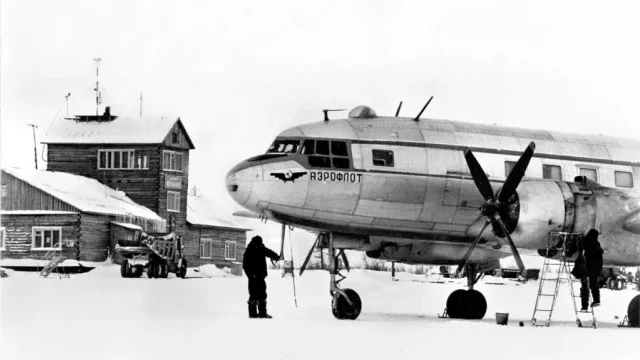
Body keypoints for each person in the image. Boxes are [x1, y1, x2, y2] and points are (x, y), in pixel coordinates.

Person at [242, 235, 281, 319]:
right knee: (258, 294)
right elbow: (245, 265)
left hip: (257, 276)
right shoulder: (253, 249)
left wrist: (276, 256)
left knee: (256, 294)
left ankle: (255, 314)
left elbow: (268, 252)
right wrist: (251, 275)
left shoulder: (253, 248)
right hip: (256, 276)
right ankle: (259, 314)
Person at [583, 229, 604, 307]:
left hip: (591, 266)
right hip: (597, 267)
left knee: (586, 282)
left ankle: (585, 303)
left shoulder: (589, 241)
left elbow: (584, 244)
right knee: (593, 283)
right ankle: (596, 300)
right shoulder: (596, 244)